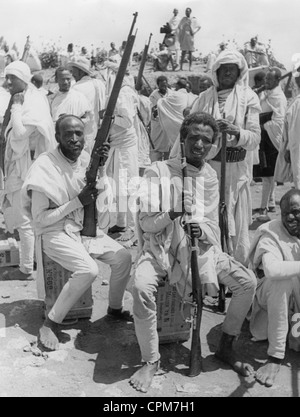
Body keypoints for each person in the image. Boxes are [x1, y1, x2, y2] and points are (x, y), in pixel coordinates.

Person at [129, 112, 257, 393]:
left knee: (248, 282)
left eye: (207, 141)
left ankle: (226, 345)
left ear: (213, 146)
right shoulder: (159, 171)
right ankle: (150, 360)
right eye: (194, 138)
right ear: (182, 139)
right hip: (161, 248)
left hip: (201, 251)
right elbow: (146, 223)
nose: (200, 145)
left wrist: (201, 232)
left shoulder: (210, 176)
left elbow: (211, 225)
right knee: (140, 287)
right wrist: (173, 213)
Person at [21, 115, 133, 351]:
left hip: (81, 227)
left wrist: (100, 168)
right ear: (57, 137)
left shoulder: (85, 160)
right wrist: (76, 202)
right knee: (89, 269)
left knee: (123, 257)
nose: (74, 139)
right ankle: (50, 323)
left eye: (79, 134)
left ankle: (114, 309)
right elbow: (40, 219)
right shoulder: (44, 166)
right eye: (68, 134)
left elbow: (100, 203)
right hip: (53, 230)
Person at [188, 50, 261, 266]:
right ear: (216, 71)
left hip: (236, 172)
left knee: (236, 227)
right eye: (224, 68)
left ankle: (235, 271)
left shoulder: (249, 98)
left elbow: (255, 138)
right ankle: (212, 271)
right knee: (208, 221)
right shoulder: (203, 99)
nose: (228, 72)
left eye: (232, 68)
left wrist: (236, 131)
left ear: (239, 72)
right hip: (209, 170)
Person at [0, 61, 56, 280]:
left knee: (25, 219)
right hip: (17, 164)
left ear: (23, 78)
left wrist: (16, 106)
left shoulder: (33, 102)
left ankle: (26, 268)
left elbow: (21, 134)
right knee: (26, 218)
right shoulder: (24, 98)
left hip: (26, 168)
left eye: (11, 78)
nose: (7, 82)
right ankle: (32, 261)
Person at [248, 189, 300, 387]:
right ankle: (275, 356)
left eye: (296, 212)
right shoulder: (271, 232)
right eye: (285, 212)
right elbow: (272, 270)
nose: (289, 218)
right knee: (281, 280)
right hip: (272, 300)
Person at [105, 75, 139, 244]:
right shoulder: (118, 92)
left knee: (129, 188)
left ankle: (134, 230)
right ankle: (121, 223)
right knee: (119, 188)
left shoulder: (124, 93)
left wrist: (109, 116)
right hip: (117, 147)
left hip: (125, 148)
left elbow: (126, 121)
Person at [256, 67, 287, 222]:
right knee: (267, 175)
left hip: (271, 138)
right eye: (265, 79)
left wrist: (263, 127)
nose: (266, 82)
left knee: (268, 177)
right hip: (263, 137)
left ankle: (264, 208)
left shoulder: (279, 97)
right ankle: (270, 202)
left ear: (277, 81)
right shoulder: (266, 94)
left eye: (269, 79)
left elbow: (279, 120)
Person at [67, 57, 106, 153]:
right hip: (95, 130)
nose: (73, 75)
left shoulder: (76, 89)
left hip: (82, 133)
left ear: (81, 72)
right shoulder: (99, 84)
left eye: (74, 72)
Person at [275, 69, 300, 189]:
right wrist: (288, 149)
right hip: (296, 150)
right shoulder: (296, 102)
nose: (297, 79)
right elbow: (291, 129)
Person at [149, 75, 171, 162]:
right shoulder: (153, 96)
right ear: (158, 85)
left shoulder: (171, 94)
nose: (164, 87)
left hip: (168, 125)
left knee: (168, 150)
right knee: (156, 149)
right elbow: (153, 110)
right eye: (162, 86)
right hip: (158, 124)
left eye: (165, 85)